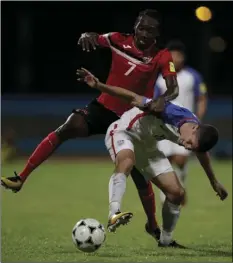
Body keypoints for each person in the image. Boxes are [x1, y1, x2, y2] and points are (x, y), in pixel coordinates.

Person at [1, 9, 179, 242]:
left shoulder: (162, 56)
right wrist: (87, 34)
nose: (145, 33)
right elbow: (97, 37)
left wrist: (162, 99)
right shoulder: (118, 40)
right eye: (142, 27)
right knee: (67, 127)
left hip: (133, 119)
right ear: (135, 26)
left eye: (151, 30)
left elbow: (173, 88)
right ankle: (21, 178)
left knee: (139, 175)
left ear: (157, 34)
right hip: (103, 108)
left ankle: (153, 226)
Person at [76, 67, 228, 247]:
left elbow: (201, 153)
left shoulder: (195, 135)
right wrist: (99, 85)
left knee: (177, 194)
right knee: (127, 161)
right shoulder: (165, 111)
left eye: (191, 147)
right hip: (124, 133)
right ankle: (114, 212)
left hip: (148, 148)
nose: (187, 146)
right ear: (194, 129)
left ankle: (165, 239)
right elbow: (132, 97)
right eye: (189, 143)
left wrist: (214, 182)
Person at [154, 40, 208, 203]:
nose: (175, 58)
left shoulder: (193, 76)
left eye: (178, 54)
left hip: (186, 126)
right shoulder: (160, 78)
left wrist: (198, 120)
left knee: (180, 159)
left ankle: (180, 186)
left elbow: (202, 98)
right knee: (165, 160)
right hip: (164, 125)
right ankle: (167, 196)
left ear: (183, 57)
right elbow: (154, 101)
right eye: (172, 55)